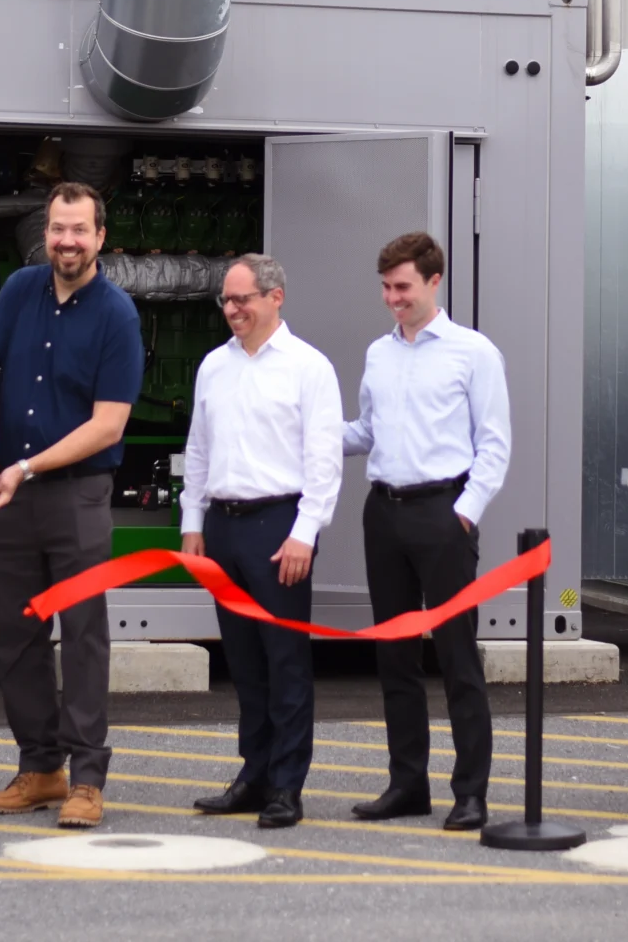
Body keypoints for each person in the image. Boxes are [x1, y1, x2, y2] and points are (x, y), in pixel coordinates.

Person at [0, 180, 144, 831]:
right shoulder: (19, 289)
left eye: (80, 229)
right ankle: (41, 768)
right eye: (57, 228)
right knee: (16, 635)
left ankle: (87, 777)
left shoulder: (118, 313)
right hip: (8, 495)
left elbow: (109, 424)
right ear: (48, 231)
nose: (67, 240)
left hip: (75, 494)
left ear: (100, 237)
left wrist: (26, 463)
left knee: (85, 635)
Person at [343, 230, 512, 832]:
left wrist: (463, 514)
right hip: (383, 513)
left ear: (434, 282)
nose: (393, 298)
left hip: (443, 513)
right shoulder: (378, 353)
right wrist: (308, 433)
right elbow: (366, 431)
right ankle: (407, 785)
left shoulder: (473, 353)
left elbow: (494, 446)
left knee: (457, 656)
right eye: (386, 288)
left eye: (403, 287)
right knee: (394, 658)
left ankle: (471, 793)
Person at [180, 253, 343, 830]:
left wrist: (305, 533)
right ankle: (253, 774)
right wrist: (191, 524)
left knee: (286, 661)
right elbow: (198, 450)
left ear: (275, 297)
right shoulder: (213, 367)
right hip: (222, 527)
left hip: (280, 528)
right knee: (244, 661)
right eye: (226, 300)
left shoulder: (308, 367)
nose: (231, 309)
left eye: (242, 299)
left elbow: (323, 461)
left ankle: (286, 786)